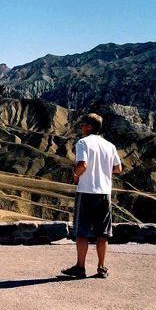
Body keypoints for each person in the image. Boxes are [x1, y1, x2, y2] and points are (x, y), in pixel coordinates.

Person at [62, 113, 122, 279]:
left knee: (82, 232)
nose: (81, 127)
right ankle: (101, 267)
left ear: (89, 127)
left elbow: (82, 164)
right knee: (102, 233)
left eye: (83, 125)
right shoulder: (109, 145)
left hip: (87, 191)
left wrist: (75, 176)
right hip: (104, 193)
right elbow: (118, 169)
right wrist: (103, 171)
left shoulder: (83, 143)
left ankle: (80, 267)